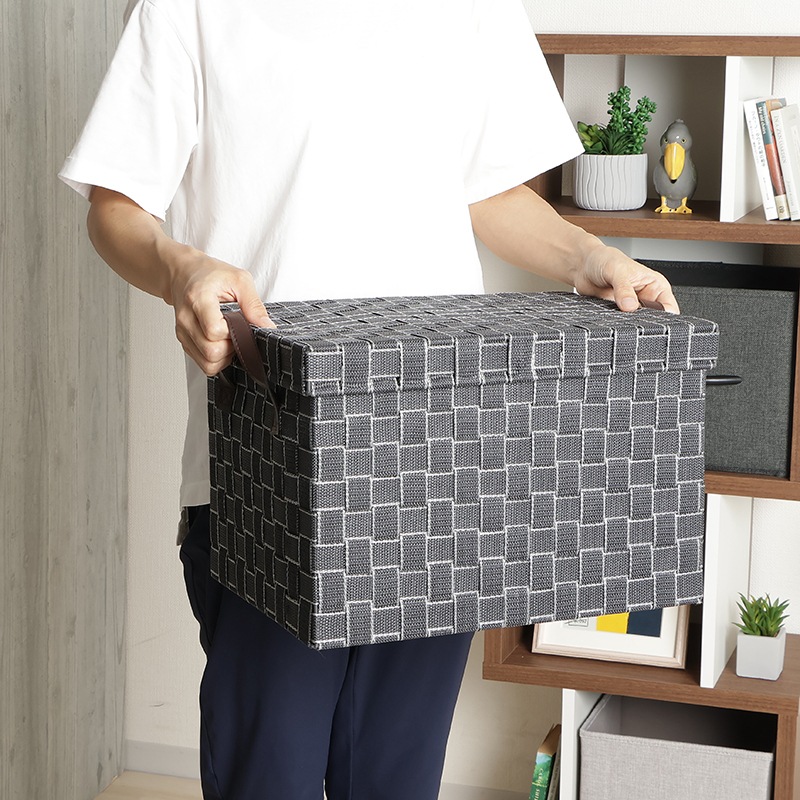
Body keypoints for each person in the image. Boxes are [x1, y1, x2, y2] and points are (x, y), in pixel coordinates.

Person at [60, 1, 679, 798]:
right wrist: (183, 270)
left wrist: (588, 256)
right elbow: (115, 206)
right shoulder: (191, 9)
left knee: (396, 778)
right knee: (267, 778)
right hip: (266, 475)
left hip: (434, 468)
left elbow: (487, 191)